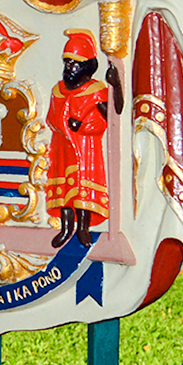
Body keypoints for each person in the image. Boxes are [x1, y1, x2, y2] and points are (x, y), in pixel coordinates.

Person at [47, 29, 122, 247]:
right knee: (64, 192)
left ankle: (83, 228)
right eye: (67, 63)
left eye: (75, 64)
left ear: (87, 68)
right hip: (62, 147)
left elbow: (113, 113)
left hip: (86, 148)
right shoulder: (57, 90)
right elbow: (52, 119)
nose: (70, 69)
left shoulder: (95, 90)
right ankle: (66, 227)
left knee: (81, 187)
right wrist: (66, 123)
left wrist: (115, 86)